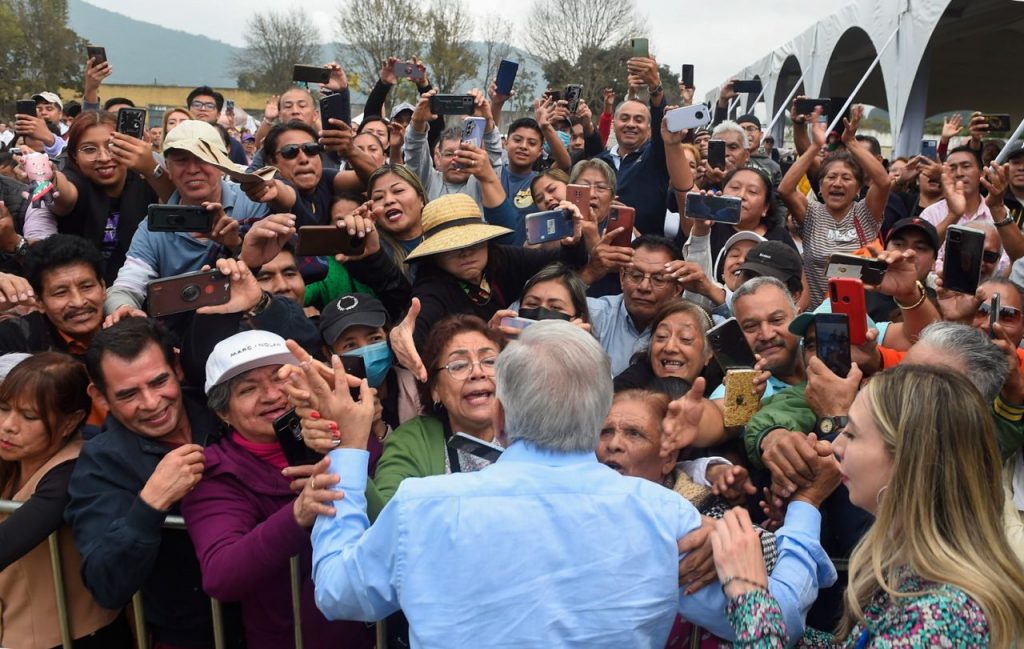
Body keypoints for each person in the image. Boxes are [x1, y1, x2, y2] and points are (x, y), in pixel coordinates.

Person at [298, 321, 834, 645]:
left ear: (503, 412)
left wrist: (348, 449)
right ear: (599, 410)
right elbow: (774, 621)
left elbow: (338, 593)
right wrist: (805, 508)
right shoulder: (662, 515)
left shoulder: (424, 506)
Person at [712, 365, 1024, 646]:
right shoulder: (915, 566)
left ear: (906, 460)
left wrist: (748, 596)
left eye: (852, 433)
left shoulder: (939, 614)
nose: (836, 445)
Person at [182, 330, 373, 649]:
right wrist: (298, 513)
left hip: (373, 630)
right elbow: (221, 573)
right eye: (248, 389)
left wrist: (344, 439)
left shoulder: (336, 428)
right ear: (223, 412)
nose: (272, 395)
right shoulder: (218, 474)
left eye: (280, 378)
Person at [66, 317, 226, 647]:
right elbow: (105, 584)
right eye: (128, 394)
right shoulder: (101, 463)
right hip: (191, 634)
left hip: (277, 616)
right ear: (100, 397)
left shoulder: (222, 409)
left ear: (177, 369)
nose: (151, 403)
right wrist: (150, 503)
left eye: (158, 382)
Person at [0, 353, 131, 648]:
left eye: (29, 416)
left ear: (70, 421)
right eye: (3, 408)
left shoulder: (75, 468)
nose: (8, 425)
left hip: (76, 637)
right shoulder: (13, 458)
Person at [104, 120, 271, 316]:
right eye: (182, 160)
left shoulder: (254, 203)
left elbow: (279, 271)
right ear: (168, 167)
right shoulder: (153, 228)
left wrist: (236, 245)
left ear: (222, 163)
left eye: (202, 158)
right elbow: (127, 285)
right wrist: (123, 309)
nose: (192, 169)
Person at [400, 192, 585, 353]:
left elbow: (566, 261)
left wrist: (572, 242)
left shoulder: (501, 258)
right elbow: (414, 333)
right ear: (435, 255)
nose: (466, 252)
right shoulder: (432, 289)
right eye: (452, 247)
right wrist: (486, 335)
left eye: (474, 242)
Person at [778, 105, 890, 305]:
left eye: (846, 178)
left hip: (862, 312)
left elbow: (883, 182)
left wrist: (851, 142)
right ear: (820, 187)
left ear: (857, 189)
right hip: (817, 314)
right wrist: (814, 147)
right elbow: (785, 189)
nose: (838, 183)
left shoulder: (865, 212)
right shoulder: (811, 214)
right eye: (831, 177)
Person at [48, 111, 170, 284]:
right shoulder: (74, 180)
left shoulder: (146, 180)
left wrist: (150, 166)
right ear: (74, 155)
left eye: (112, 146)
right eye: (89, 149)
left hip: (141, 291)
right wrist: (49, 176)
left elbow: (174, 198)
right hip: (81, 294)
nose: (104, 158)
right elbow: (64, 194)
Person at [587, 235, 685, 376]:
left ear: (676, 289)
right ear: (622, 277)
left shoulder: (687, 327)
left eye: (658, 279)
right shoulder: (594, 314)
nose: (644, 287)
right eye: (636, 275)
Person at [594, 55, 669, 234]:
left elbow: (660, 125)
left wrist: (655, 87)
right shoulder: (598, 162)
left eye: (639, 120)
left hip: (646, 254)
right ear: (614, 123)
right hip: (598, 250)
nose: (631, 124)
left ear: (649, 128)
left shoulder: (656, 157)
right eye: (625, 118)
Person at [0, 235, 105, 360]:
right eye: (61, 293)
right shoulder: (15, 337)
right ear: (39, 301)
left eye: (86, 287)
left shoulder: (127, 324)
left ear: (103, 287)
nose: (78, 302)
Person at [186, 85, 247, 165]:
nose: (203, 109)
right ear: (188, 110)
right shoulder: (176, 139)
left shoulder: (234, 146)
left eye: (209, 106)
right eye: (197, 105)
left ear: (218, 114)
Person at [736, 115, 782, 186]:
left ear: (761, 135)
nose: (745, 133)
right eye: (741, 129)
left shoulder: (773, 166)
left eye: (751, 129)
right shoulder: (730, 160)